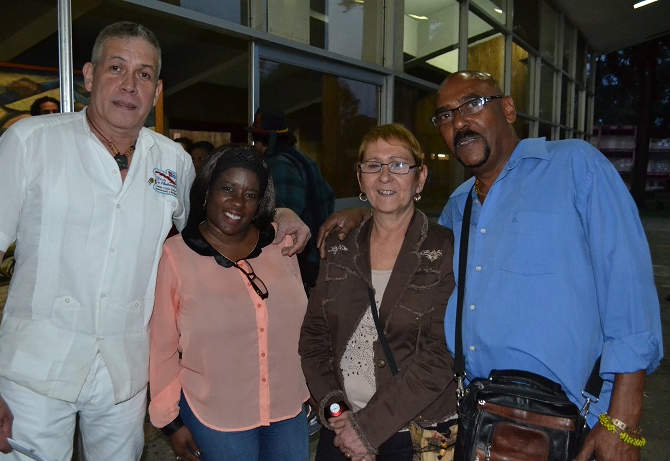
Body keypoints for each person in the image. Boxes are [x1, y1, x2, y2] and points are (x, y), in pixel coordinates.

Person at [0, 22, 308, 460]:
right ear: (90, 75)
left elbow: (219, 225)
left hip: (123, 378)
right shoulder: (30, 142)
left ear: (156, 92)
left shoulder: (171, 160)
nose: (129, 85)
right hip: (34, 374)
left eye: (144, 74)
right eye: (117, 67)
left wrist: (279, 213)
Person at [316, 71, 663, 461]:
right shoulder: (458, 206)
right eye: (445, 115)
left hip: (571, 425)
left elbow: (628, 289)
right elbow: (408, 242)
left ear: (509, 108)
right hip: (481, 422)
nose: (459, 121)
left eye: (473, 104)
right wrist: (367, 215)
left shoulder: (575, 167)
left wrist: (623, 420)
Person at [300, 124, 457, 461]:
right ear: (360, 179)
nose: (385, 176)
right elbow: (314, 339)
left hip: (413, 435)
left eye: (399, 164)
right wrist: (339, 414)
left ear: (420, 178)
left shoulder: (445, 248)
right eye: (373, 165)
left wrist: (368, 428)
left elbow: (443, 354)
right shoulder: (340, 247)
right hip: (341, 431)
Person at [149, 143, 310, 461]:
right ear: (207, 190)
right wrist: (170, 422)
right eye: (228, 189)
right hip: (217, 416)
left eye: (251, 194)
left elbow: (305, 326)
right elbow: (162, 347)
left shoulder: (282, 244)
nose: (238, 203)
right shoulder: (175, 256)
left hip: (287, 407)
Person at [248, 107, 335, 293]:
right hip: (313, 251)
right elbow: (328, 197)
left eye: (256, 140)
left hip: (297, 255)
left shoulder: (280, 165)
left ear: (266, 143)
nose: (255, 146)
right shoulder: (303, 159)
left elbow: (283, 220)